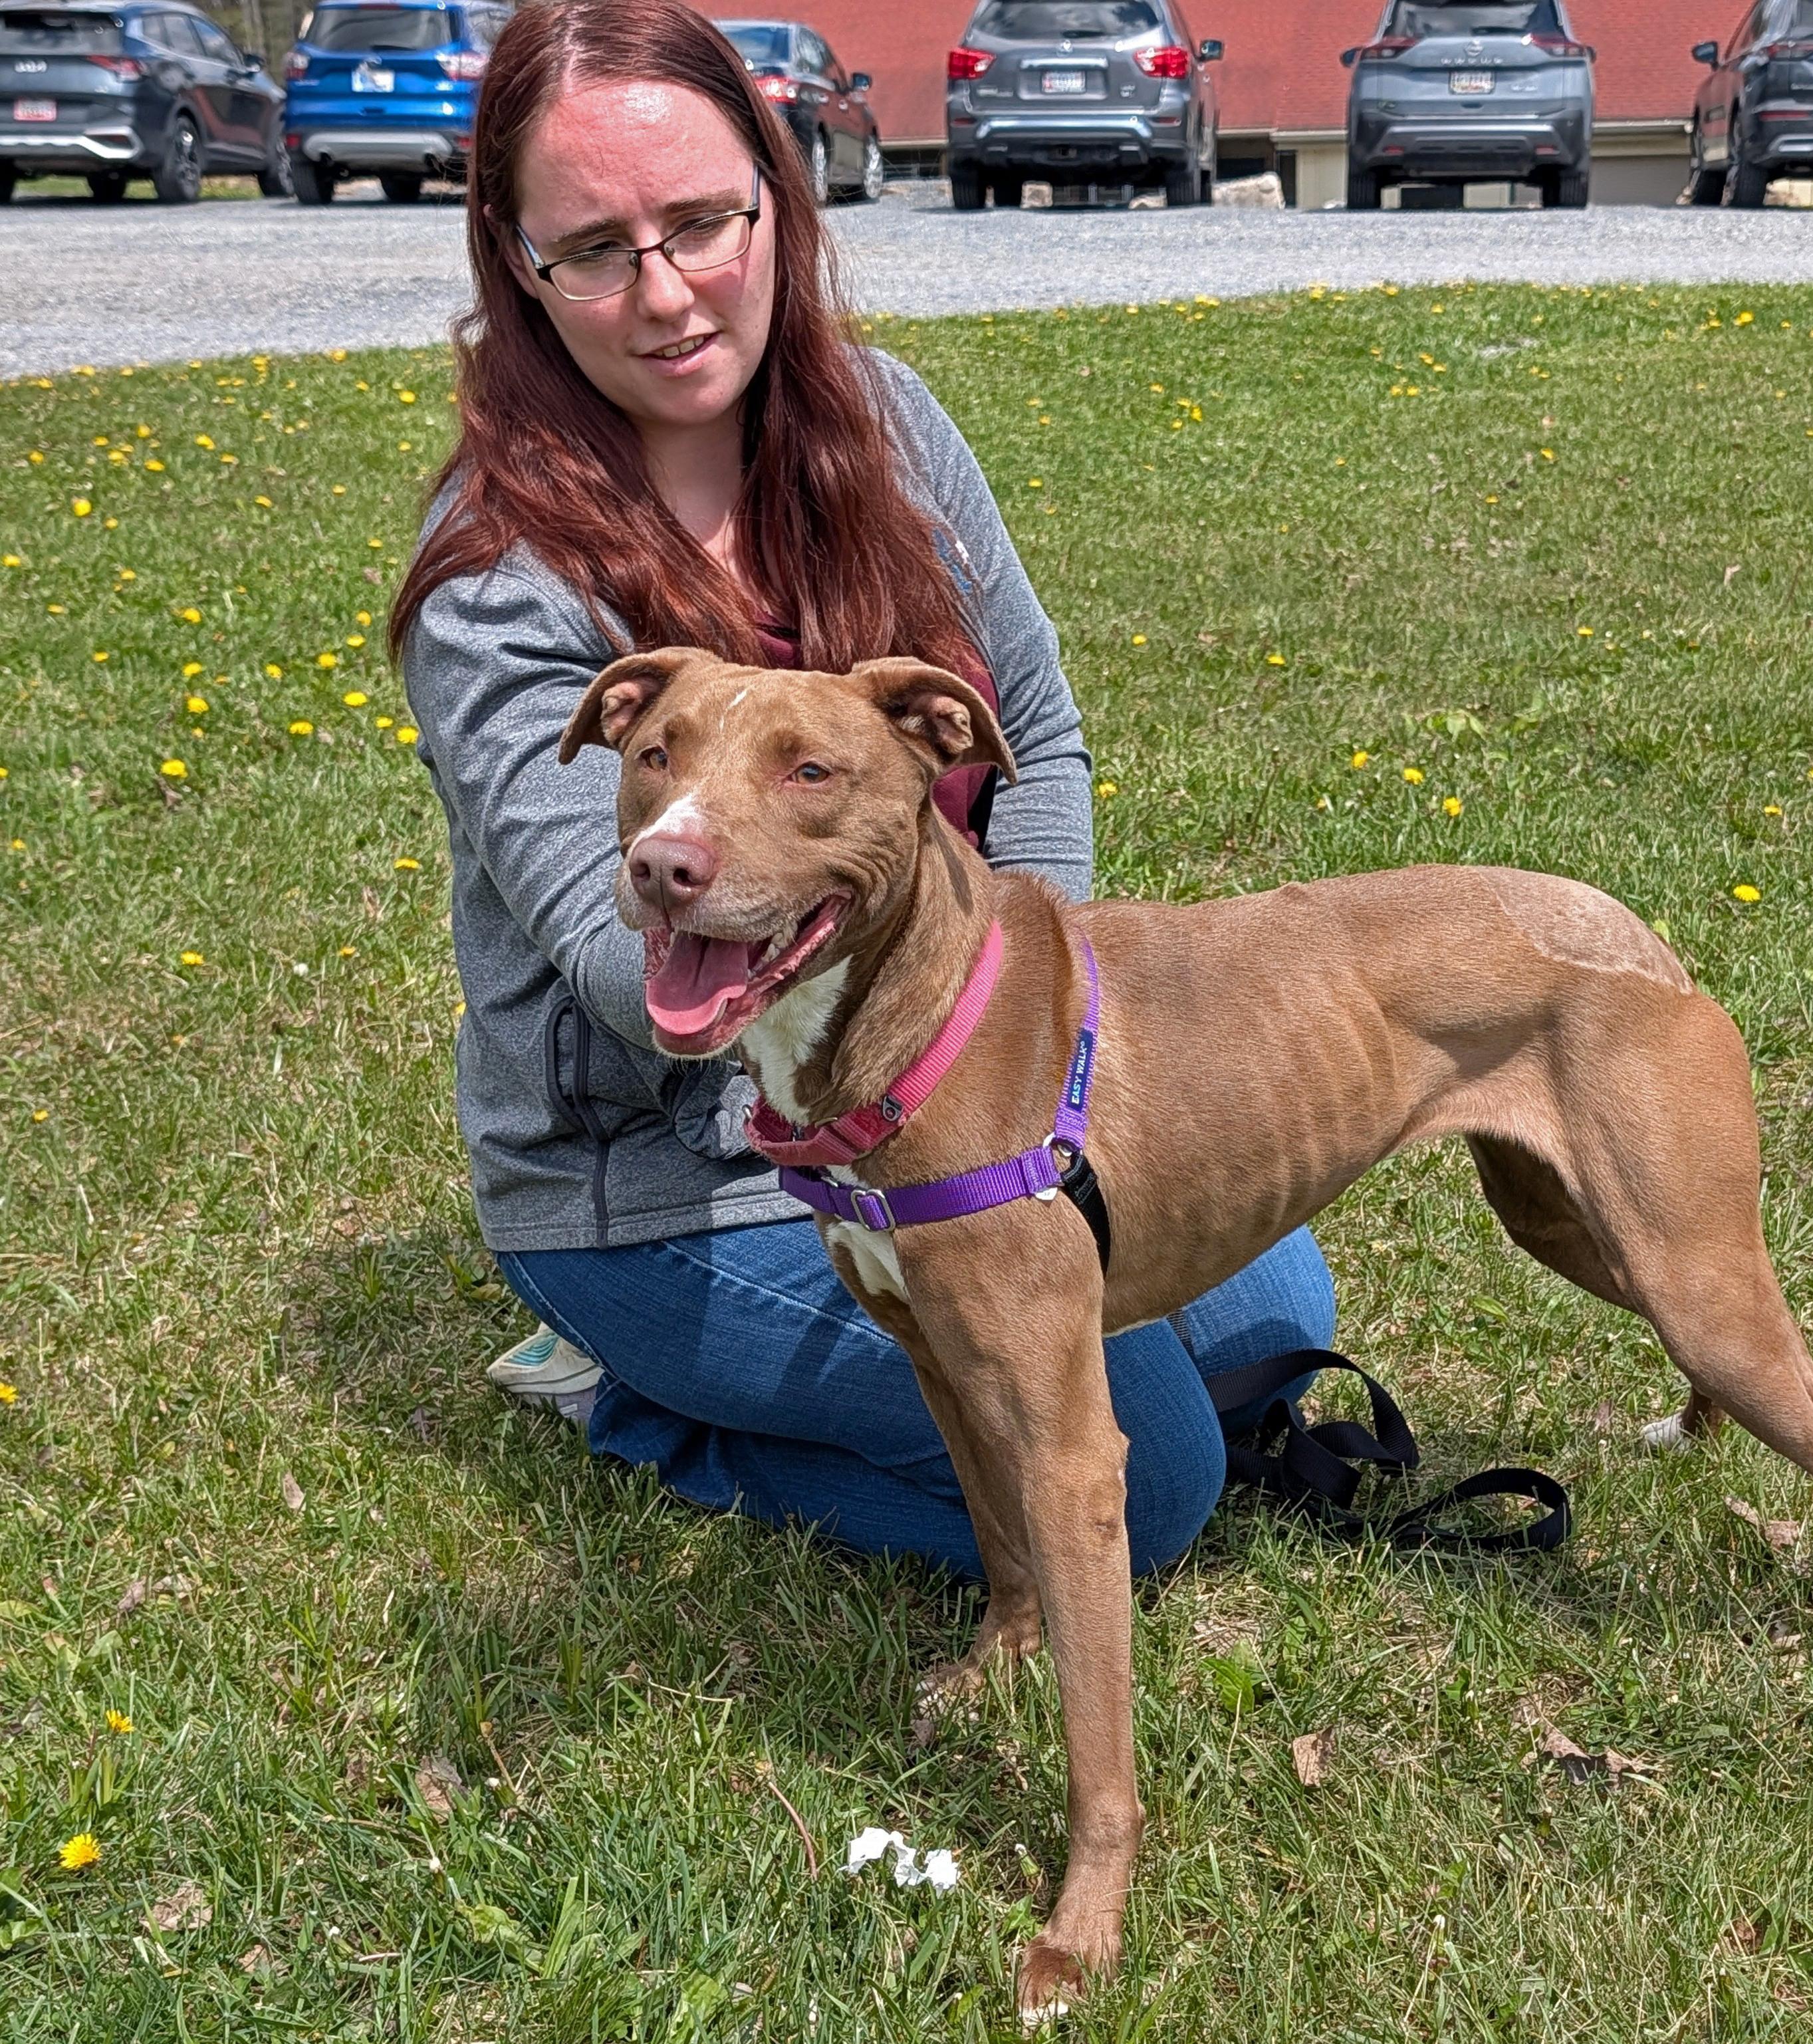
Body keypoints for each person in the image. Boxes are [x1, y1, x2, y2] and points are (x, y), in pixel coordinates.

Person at [392, 0, 1332, 1579]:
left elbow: (1037, 735)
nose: (668, 291)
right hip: (673, 1178)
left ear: (775, 192)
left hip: (968, 1080)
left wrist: (1040, 1058)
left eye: (702, 222)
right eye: (596, 248)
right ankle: (636, 1399)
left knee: (1271, 1317)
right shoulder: (495, 586)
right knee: (1149, 1478)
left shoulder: (884, 422)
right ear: (516, 260)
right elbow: (638, 972)